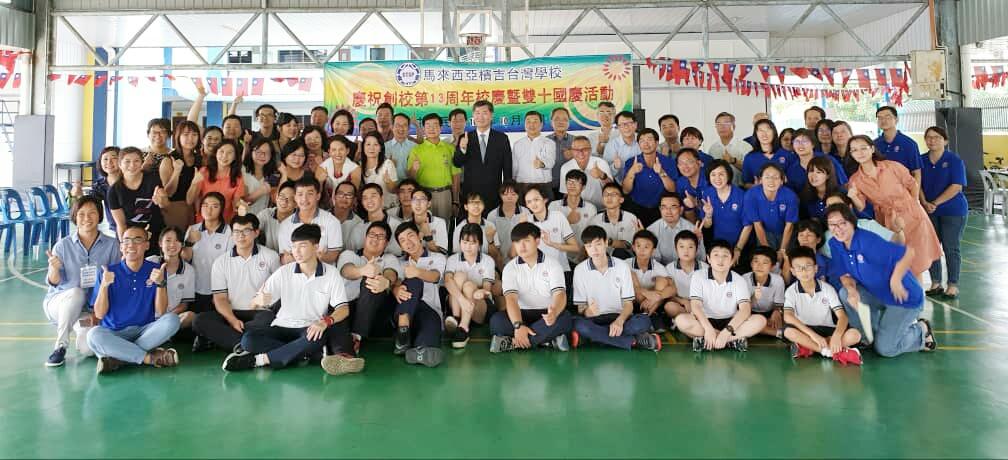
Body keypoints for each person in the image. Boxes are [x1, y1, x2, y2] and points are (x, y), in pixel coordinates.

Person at [222, 223, 363, 375]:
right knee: (248, 340)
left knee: (317, 338)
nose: (296, 251)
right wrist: (258, 301)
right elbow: (252, 304)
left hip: (308, 329)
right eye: (294, 246)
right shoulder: (284, 272)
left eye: (302, 246)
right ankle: (305, 353)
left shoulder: (331, 274)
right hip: (281, 326)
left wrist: (325, 322)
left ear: (316, 247)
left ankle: (259, 360)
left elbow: (343, 309)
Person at [826, 204, 936, 357]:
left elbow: (907, 253)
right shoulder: (835, 244)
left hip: (903, 298)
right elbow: (844, 274)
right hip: (878, 294)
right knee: (845, 293)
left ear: (852, 222)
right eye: (832, 224)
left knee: (886, 349)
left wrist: (895, 280)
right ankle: (866, 338)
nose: (837, 229)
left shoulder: (867, 242)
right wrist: (851, 290)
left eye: (842, 223)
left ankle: (921, 330)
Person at [86, 224, 181, 374]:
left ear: (146, 245)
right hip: (114, 332)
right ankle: (148, 358)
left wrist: (161, 283)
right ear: (121, 246)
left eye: (137, 240)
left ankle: (120, 357)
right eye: (126, 241)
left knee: (173, 320)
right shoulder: (108, 272)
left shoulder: (156, 270)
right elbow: (99, 314)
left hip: (144, 331)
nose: (131, 245)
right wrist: (104, 286)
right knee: (93, 335)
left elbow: (161, 311)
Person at [847, 135, 940, 281]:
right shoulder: (855, 180)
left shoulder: (892, 166)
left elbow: (912, 184)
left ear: (872, 149)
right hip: (888, 221)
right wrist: (853, 196)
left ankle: (918, 294)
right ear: (851, 154)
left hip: (912, 216)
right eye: (854, 150)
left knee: (916, 263)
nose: (860, 153)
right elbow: (861, 206)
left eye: (863, 148)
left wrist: (914, 204)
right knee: (899, 263)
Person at [42, 196, 122, 367]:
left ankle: (79, 330)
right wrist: (54, 268)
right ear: (74, 217)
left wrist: (97, 315)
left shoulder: (112, 245)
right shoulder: (62, 246)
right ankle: (60, 346)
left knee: (88, 348)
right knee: (76, 293)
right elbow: (54, 282)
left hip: (87, 312)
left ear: (99, 215)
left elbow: (115, 283)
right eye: (81, 214)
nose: (87, 218)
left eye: (92, 213)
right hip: (60, 304)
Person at [193, 214, 280, 353]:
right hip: (232, 312)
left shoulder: (271, 256)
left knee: (268, 319)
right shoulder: (221, 262)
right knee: (200, 320)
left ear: (256, 233)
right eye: (236, 232)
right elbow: (220, 298)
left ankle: (230, 341)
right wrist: (232, 320)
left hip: (260, 313)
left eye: (246, 231)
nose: (241, 236)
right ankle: (245, 344)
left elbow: (279, 290)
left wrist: (267, 300)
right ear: (231, 234)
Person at [570, 226, 661, 351]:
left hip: (620, 317)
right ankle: (633, 341)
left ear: (606, 243)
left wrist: (620, 321)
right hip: (595, 319)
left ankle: (594, 337)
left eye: (598, 244)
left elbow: (628, 304)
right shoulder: (580, 270)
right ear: (585, 248)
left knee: (643, 321)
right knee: (578, 324)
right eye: (589, 246)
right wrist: (588, 311)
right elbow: (581, 309)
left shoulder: (622, 266)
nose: (594, 250)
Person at [489, 222, 574, 353]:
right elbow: (511, 299)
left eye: (526, 241)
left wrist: (554, 312)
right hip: (521, 314)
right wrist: (518, 325)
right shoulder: (510, 268)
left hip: (546, 314)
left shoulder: (553, 264)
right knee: (497, 321)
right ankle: (546, 341)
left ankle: (513, 343)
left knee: (565, 318)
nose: (522, 246)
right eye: (517, 242)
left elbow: (560, 294)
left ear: (537, 241)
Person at [675, 239, 766, 352]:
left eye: (725, 256)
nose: (720, 260)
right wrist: (708, 329)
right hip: (705, 321)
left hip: (731, 322)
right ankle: (731, 340)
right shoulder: (698, 276)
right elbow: (695, 306)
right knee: (681, 320)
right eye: (716, 255)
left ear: (732, 260)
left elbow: (745, 310)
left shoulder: (739, 280)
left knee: (760, 320)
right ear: (709, 259)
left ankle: (715, 340)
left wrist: (726, 333)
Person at [783, 246, 863, 364]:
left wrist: (837, 335)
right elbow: (787, 316)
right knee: (788, 332)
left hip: (827, 329)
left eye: (808, 266)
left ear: (816, 268)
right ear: (793, 271)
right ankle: (830, 352)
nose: (804, 271)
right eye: (799, 268)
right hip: (806, 331)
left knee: (855, 335)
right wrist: (814, 336)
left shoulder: (827, 288)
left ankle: (810, 348)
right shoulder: (791, 291)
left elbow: (842, 316)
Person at [336, 221, 401, 351]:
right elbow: (346, 271)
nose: (375, 238)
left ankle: (356, 338)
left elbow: (391, 273)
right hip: (348, 308)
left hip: (376, 313)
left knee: (373, 279)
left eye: (380, 236)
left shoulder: (390, 258)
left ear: (386, 243)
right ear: (365, 237)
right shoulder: (349, 254)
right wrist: (362, 271)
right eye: (372, 234)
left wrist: (386, 281)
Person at [920, 126, 968, 299]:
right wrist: (924, 202)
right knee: (932, 247)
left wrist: (935, 203)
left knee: (951, 247)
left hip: (953, 211)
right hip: (929, 211)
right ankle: (936, 283)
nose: (932, 140)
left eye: (937, 137)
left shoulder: (954, 160)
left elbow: (956, 186)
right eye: (929, 137)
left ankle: (952, 285)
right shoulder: (921, 160)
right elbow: (916, 183)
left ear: (945, 141)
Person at [390, 222, 447, 367]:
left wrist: (418, 272)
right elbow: (395, 283)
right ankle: (403, 328)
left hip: (429, 308)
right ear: (401, 246)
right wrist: (396, 290)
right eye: (402, 240)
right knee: (413, 281)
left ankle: (417, 350)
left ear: (419, 236)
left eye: (410, 236)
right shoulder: (399, 263)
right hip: (406, 312)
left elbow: (435, 276)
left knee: (431, 329)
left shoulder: (438, 258)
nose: (408, 242)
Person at [181, 192, 234, 322]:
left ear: (221, 209)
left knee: (213, 323)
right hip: (195, 287)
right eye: (205, 205)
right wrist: (189, 242)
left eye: (214, 206)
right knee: (193, 323)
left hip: (218, 290)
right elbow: (185, 259)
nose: (209, 210)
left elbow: (230, 265)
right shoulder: (193, 229)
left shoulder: (229, 232)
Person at [454, 100, 513, 212]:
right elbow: (457, 163)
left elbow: (507, 168)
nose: (480, 117)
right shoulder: (465, 137)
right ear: (473, 116)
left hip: (494, 193)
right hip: (471, 194)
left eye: (484, 113)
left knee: (493, 222)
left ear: (491, 116)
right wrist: (462, 149)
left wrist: (506, 192)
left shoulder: (502, 138)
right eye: (477, 113)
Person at [443, 223, 496, 349]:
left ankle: (463, 326)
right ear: (460, 242)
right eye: (464, 242)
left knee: (468, 286)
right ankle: (458, 320)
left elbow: (487, 289)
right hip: (457, 305)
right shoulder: (452, 259)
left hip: (479, 306)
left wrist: (479, 292)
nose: (467, 247)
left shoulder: (488, 260)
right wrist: (462, 300)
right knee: (459, 276)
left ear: (480, 244)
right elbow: (447, 281)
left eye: (472, 243)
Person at [107, 146, 169, 245]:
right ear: (120, 164)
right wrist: (124, 245)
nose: (132, 165)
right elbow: (121, 224)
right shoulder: (114, 191)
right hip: (131, 237)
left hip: (155, 232)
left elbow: (166, 206)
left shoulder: (153, 180)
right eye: (127, 161)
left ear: (141, 163)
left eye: (136, 161)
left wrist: (162, 201)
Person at [277, 176, 344, 265]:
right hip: (294, 272)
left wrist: (316, 259)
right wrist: (312, 257)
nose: (304, 199)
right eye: (300, 194)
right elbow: (285, 257)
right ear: (295, 197)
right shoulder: (285, 225)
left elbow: (333, 254)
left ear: (318, 196)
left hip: (323, 271)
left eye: (310, 194)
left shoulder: (331, 221)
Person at [409, 113, 461, 221]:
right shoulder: (416, 150)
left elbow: (456, 176)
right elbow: (410, 177)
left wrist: (455, 200)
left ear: (441, 128)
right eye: (428, 125)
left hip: (445, 195)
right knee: (424, 226)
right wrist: (414, 169)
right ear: (423, 129)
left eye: (435, 125)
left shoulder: (450, 148)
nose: (431, 128)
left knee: (444, 227)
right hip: (423, 195)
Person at [621, 128, 677, 225]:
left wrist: (661, 172)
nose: (646, 144)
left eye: (649, 139)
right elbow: (626, 190)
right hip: (636, 207)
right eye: (642, 141)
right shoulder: (631, 162)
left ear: (656, 143)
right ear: (638, 144)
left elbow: (673, 189)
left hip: (660, 209)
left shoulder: (669, 162)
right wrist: (631, 172)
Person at [742, 163, 798, 259]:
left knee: (786, 259)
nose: (771, 181)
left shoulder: (790, 196)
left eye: (776, 177)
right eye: (767, 177)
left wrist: (782, 250)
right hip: (765, 232)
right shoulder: (751, 195)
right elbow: (757, 224)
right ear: (760, 180)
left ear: (782, 181)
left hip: (786, 232)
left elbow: (789, 226)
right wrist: (767, 250)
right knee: (766, 258)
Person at [523, 186, 580, 278]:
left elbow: (575, 247)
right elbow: (516, 253)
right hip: (536, 273)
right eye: (529, 202)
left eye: (536, 199)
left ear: (545, 199)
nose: (533, 204)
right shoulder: (526, 221)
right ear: (526, 205)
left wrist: (552, 244)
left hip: (560, 270)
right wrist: (521, 227)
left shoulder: (558, 216)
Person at [627, 229, 676, 333]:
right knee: (630, 275)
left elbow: (672, 289)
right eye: (638, 246)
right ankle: (648, 317)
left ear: (653, 250)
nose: (642, 250)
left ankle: (649, 313)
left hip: (654, 304)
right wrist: (646, 292)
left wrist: (656, 298)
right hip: (631, 302)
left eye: (646, 247)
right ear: (633, 247)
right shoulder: (625, 264)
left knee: (662, 281)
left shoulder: (659, 267)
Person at [187, 139, 245, 224]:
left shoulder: (237, 177)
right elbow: (189, 200)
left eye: (230, 153)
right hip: (204, 221)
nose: (224, 156)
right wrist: (194, 183)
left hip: (225, 222)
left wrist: (241, 206)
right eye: (221, 151)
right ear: (216, 153)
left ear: (235, 157)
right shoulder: (204, 172)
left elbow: (236, 203)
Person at [150, 226, 195, 334]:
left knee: (190, 316)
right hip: (148, 317)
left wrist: (167, 318)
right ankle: (163, 334)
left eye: (177, 241)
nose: (172, 245)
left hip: (171, 317)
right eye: (168, 240)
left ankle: (163, 332)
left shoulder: (189, 270)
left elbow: (184, 304)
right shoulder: (150, 262)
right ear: (160, 243)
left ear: (182, 244)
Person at [697, 160, 747, 256]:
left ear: (728, 175)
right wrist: (708, 215)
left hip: (740, 246)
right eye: (713, 174)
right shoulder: (707, 193)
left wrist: (738, 248)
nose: (717, 178)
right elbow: (707, 226)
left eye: (721, 174)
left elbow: (748, 226)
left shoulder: (741, 195)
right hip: (717, 247)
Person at [159, 120, 201, 230]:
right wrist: (176, 171)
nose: (190, 138)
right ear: (178, 137)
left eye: (194, 135)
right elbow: (168, 193)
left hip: (194, 208)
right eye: (186, 134)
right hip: (174, 209)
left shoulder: (199, 159)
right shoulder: (168, 160)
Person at [549, 170, 597, 266]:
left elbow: (592, 235)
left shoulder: (591, 208)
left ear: (583, 187)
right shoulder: (553, 206)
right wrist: (567, 221)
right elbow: (549, 232)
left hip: (583, 255)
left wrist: (584, 252)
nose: (572, 185)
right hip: (559, 255)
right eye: (569, 182)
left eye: (576, 182)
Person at [874, 106, 923, 197]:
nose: (883, 120)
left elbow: (916, 173)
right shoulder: (874, 144)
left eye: (887, 117)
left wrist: (915, 197)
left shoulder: (909, 144)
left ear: (896, 120)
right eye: (879, 118)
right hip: (882, 195)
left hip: (904, 194)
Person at [648, 191, 703, 265]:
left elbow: (701, 259)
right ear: (660, 209)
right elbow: (652, 262)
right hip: (661, 268)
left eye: (673, 207)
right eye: (664, 207)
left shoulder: (692, 229)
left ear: (681, 210)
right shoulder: (651, 230)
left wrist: (698, 242)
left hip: (686, 267)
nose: (668, 211)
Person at [512, 110, 557, 200]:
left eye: (535, 121)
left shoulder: (548, 143)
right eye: (528, 122)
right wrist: (513, 183)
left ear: (541, 125)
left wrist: (541, 164)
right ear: (525, 125)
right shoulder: (518, 144)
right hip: (522, 186)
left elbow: (551, 161)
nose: (531, 125)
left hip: (543, 186)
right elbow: (514, 166)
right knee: (522, 209)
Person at [786, 129, 848, 193]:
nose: (800, 145)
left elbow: (844, 184)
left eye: (805, 141)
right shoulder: (792, 169)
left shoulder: (828, 160)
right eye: (797, 141)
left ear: (813, 144)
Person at [664, 230, 708, 322]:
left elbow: (710, 294)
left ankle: (688, 321)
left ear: (696, 249)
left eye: (690, 247)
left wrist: (694, 304)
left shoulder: (705, 268)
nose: (686, 251)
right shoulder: (669, 268)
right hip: (681, 304)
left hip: (700, 304)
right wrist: (683, 301)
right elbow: (668, 294)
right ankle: (695, 320)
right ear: (676, 249)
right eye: (681, 247)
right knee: (669, 307)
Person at [346, 183, 402, 255]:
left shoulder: (396, 225)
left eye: (373, 196)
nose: (369, 201)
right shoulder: (357, 229)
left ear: (382, 198)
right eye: (365, 198)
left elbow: (400, 255)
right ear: (362, 202)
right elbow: (349, 254)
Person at [743, 245, 786, 339]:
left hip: (769, 313)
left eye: (765, 262)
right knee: (740, 319)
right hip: (750, 313)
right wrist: (754, 298)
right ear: (751, 264)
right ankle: (778, 333)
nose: (759, 266)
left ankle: (757, 330)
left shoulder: (778, 280)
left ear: (772, 266)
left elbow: (778, 304)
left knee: (783, 319)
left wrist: (776, 311)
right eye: (756, 261)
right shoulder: (744, 279)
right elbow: (743, 309)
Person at [559, 135, 612, 209]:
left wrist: (602, 175)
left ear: (590, 150)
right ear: (572, 151)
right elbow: (566, 193)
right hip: (578, 209)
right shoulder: (565, 167)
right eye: (576, 150)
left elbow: (612, 188)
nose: (581, 152)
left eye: (585, 149)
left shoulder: (601, 163)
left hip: (601, 208)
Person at [741, 119, 795, 187]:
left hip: (784, 193)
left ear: (774, 132)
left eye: (768, 130)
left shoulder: (788, 155)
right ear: (756, 134)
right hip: (759, 193)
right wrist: (756, 186)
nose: (764, 134)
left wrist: (784, 181)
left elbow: (795, 182)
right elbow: (746, 183)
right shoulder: (749, 158)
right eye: (761, 130)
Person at [487, 181, 529, 265]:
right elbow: (491, 244)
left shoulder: (525, 212)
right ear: (500, 195)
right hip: (499, 261)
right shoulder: (492, 216)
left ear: (518, 195)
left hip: (522, 261)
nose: (509, 197)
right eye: (506, 194)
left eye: (513, 194)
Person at [452, 192, 501, 261]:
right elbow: (457, 257)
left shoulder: (490, 226)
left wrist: (491, 241)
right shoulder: (459, 228)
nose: (476, 206)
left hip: (487, 264)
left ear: (483, 206)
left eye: (479, 202)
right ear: (466, 207)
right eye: (472, 202)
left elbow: (496, 256)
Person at [360, 132, 399, 209]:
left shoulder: (387, 164)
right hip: (369, 209)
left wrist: (388, 182)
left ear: (381, 148)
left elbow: (394, 190)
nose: (371, 148)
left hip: (388, 208)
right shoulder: (359, 166)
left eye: (375, 144)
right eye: (368, 144)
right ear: (363, 147)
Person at [706, 112, 750, 181]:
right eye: (718, 124)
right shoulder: (713, 148)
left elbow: (750, 171)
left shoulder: (745, 146)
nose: (722, 127)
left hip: (740, 186)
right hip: (718, 186)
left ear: (734, 126)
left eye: (726, 123)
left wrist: (733, 161)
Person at [242, 138, 280, 216]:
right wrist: (262, 190)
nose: (262, 155)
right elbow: (242, 201)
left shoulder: (273, 175)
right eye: (258, 152)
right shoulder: (241, 171)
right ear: (251, 151)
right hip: (243, 219)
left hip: (263, 219)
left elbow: (275, 200)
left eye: (267, 152)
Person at [406, 188, 449, 254]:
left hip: (434, 259)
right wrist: (419, 237)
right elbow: (405, 253)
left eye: (422, 199)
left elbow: (442, 253)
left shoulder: (439, 222)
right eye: (414, 199)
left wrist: (428, 235)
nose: (418, 203)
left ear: (428, 204)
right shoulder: (406, 224)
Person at [257, 180, 296, 252]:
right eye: (282, 196)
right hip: (268, 257)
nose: (284, 202)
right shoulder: (266, 214)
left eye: (290, 199)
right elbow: (252, 228)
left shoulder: (300, 221)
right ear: (277, 197)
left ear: (296, 204)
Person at [602, 111, 641, 181]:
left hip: (643, 182)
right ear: (618, 127)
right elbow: (606, 173)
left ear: (635, 124)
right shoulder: (611, 145)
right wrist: (615, 167)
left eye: (629, 123)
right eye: (622, 124)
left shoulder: (644, 140)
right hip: (620, 184)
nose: (626, 127)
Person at [674, 148, 709, 220]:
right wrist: (693, 226)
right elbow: (688, 209)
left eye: (689, 162)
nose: (685, 166)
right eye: (681, 163)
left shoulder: (710, 180)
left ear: (699, 163)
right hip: (697, 221)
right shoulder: (681, 182)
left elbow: (717, 208)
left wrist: (696, 203)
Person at [548, 107, 574, 197]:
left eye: (565, 119)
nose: (561, 122)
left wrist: (574, 155)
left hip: (571, 187)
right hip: (550, 187)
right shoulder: (544, 142)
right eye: (557, 119)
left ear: (569, 122)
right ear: (551, 122)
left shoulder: (576, 141)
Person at [386, 113, 418, 180]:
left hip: (410, 185)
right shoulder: (384, 147)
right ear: (392, 127)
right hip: (390, 185)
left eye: (404, 125)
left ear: (408, 128)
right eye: (397, 125)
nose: (401, 128)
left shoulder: (415, 147)